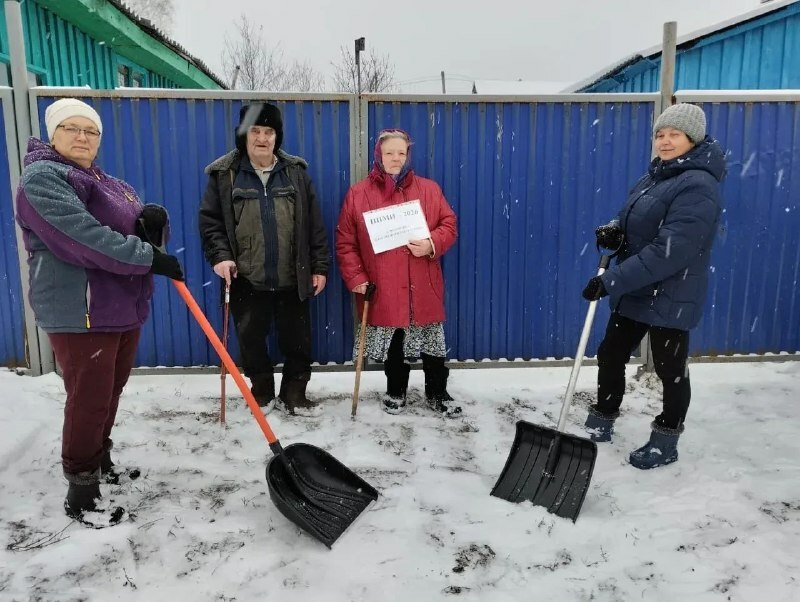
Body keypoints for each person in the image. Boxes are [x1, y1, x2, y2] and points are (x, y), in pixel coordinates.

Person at [15, 98, 184, 526]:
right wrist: (148, 256)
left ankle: (99, 460)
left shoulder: (110, 182)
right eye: (71, 128)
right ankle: (82, 488)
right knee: (89, 399)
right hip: (81, 308)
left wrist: (152, 223)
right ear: (52, 134)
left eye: (90, 131)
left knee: (110, 391)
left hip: (119, 305)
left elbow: (130, 229)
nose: (82, 137)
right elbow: (85, 238)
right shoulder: (43, 179)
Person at [581, 103, 725, 469]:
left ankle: (666, 439)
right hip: (638, 286)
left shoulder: (699, 186)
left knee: (669, 369)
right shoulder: (654, 177)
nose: (665, 141)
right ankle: (603, 416)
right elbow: (634, 217)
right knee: (611, 352)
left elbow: (668, 251)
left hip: (673, 292)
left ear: (692, 139)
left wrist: (610, 280)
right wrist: (615, 227)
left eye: (674, 134)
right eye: (660, 134)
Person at [199, 103, 329, 417]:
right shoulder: (225, 175)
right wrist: (220, 257)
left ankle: (295, 394)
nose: (262, 138)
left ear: (277, 137)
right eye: (255, 131)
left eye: (268, 132)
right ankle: (262, 394)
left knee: (298, 342)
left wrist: (319, 266)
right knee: (251, 341)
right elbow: (210, 222)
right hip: (246, 279)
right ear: (244, 136)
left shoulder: (296, 173)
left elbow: (313, 224)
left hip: (292, 277)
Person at [336, 129, 460, 417]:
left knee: (432, 343)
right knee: (395, 344)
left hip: (423, 280)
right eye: (389, 153)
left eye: (401, 153)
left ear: (408, 156)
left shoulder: (429, 189)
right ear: (378, 155)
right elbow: (345, 241)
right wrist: (356, 278)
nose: (395, 158)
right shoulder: (358, 193)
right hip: (384, 282)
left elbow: (449, 224)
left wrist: (432, 243)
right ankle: (396, 390)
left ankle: (438, 391)